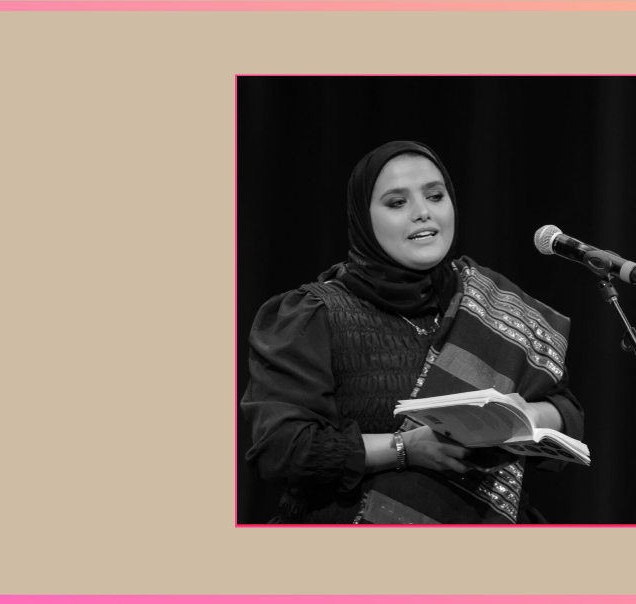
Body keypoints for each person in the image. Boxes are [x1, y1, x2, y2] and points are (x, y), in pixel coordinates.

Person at [240, 141, 584, 524]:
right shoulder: (313, 314)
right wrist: (403, 448)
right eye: (396, 203)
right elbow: (283, 450)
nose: (423, 213)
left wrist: (524, 415)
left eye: (435, 196)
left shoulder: (489, 301)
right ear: (363, 218)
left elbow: (567, 411)